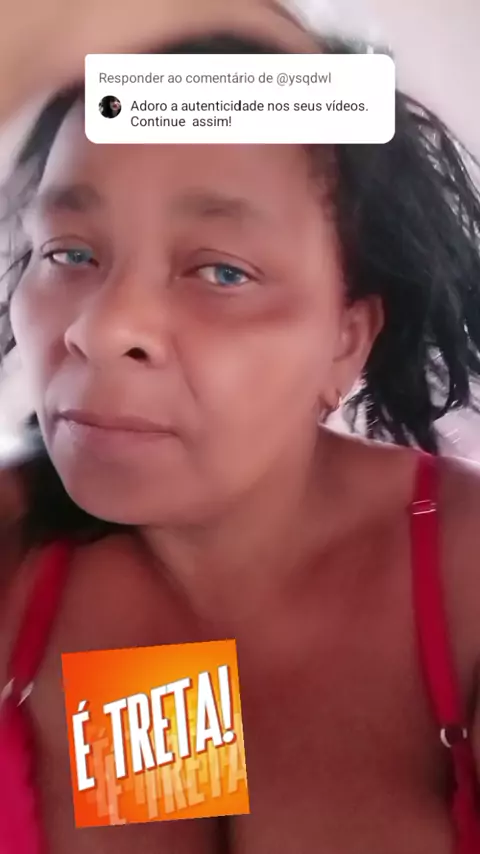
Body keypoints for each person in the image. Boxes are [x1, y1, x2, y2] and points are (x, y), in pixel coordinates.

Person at [0, 4, 480, 854]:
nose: (102, 329)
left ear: (348, 338)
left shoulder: (462, 577)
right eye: (70, 252)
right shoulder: (44, 567)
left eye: (222, 272)